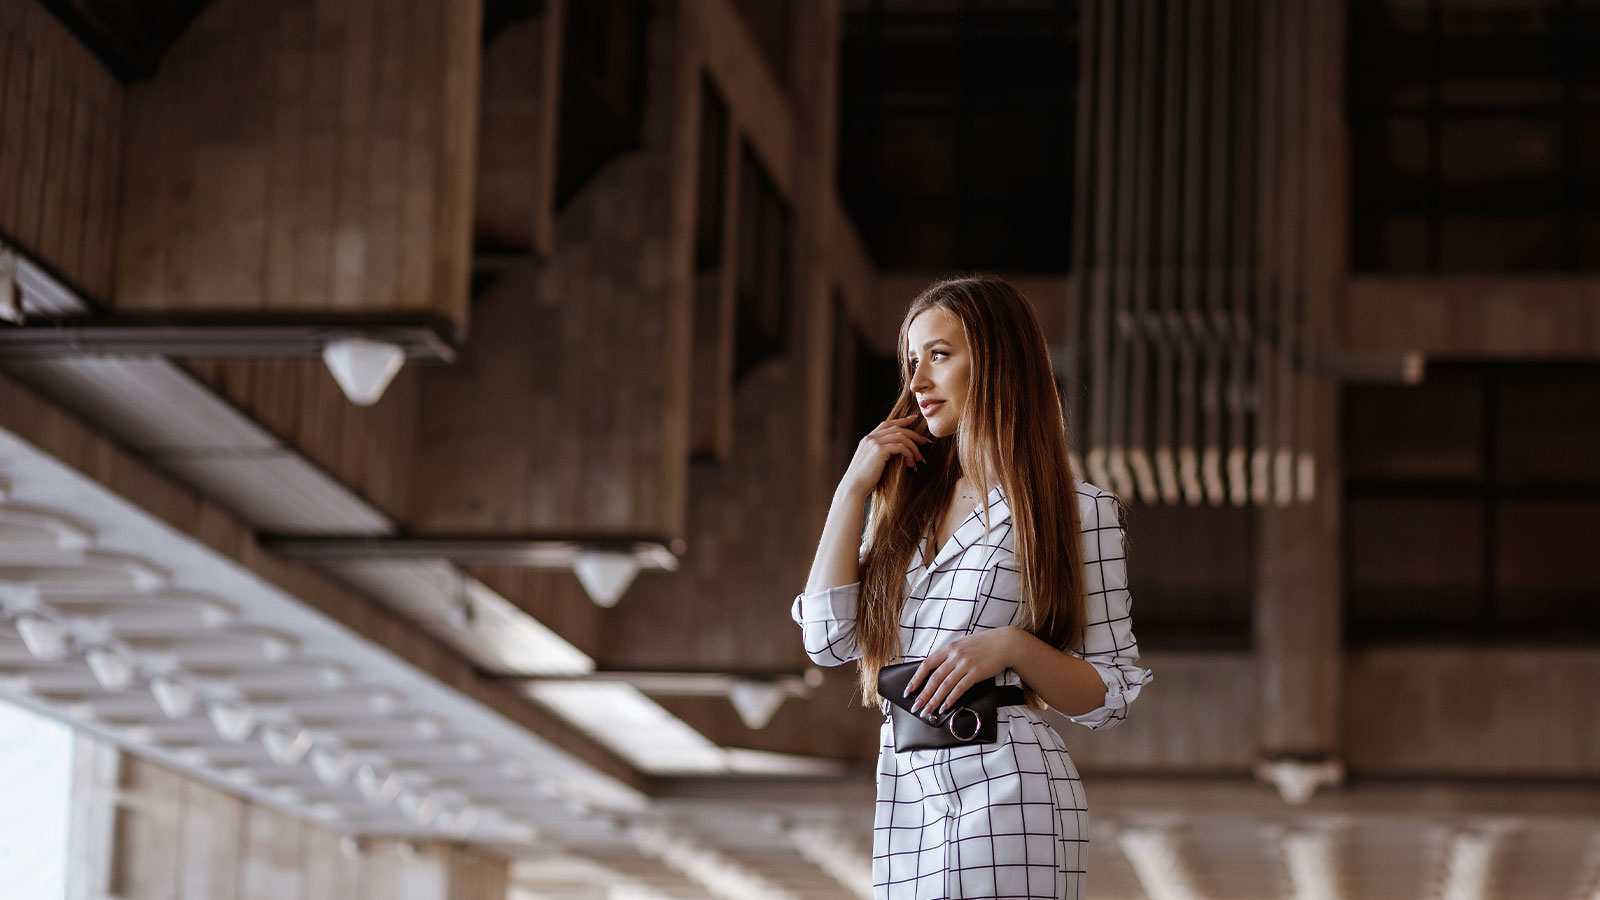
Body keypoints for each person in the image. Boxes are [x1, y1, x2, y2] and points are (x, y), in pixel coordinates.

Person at [791, 276, 1153, 900]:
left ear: (996, 360)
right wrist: (851, 488)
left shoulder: (1077, 511)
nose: (918, 383)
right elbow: (828, 641)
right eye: (910, 362)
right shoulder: (899, 501)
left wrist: (1011, 647)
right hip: (907, 793)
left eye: (939, 354)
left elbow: (1110, 695)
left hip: (1009, 784)